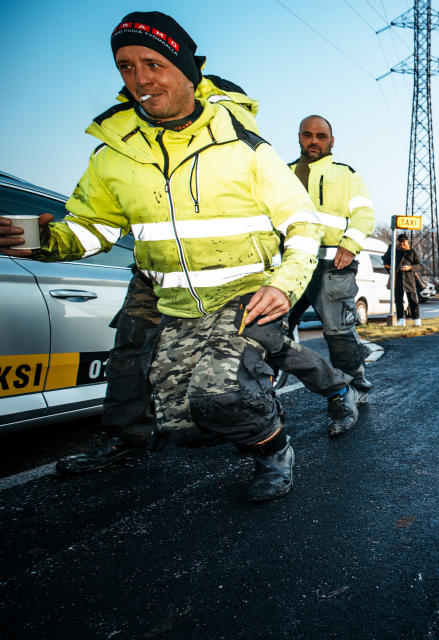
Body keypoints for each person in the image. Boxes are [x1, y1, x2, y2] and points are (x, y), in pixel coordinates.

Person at [0, 11, 356, 502]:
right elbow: (96, 225)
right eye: (125, 66)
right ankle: (282, 395)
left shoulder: (245, 147)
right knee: (185, 421)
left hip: (247, 288)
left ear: (187, 68)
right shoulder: (114, 154)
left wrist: (286, 281)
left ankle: (277, 443)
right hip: (171, 296)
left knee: (222, 389)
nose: (139, 79)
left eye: (153, 63)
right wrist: (50, 240)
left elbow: (301, 222)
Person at [287, 115, 376, 435]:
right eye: (308, 135)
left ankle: (352, 387)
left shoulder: (346, 175)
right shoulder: (282, 173)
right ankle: (262, 399)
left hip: (333, 264)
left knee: (338, 333)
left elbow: (364, 214)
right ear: (298, 137)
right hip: (288, 266)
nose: (314, 141)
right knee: (271, 332)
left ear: (332, 141)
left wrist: (350, 245)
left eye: (321, 136)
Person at [384, 233, 421, 326]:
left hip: (409, 279)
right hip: (398, 279)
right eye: (400, 244)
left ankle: (417, 320)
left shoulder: (412, 252)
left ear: (407, 242)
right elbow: (385, 262)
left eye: (404, 243)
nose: (402, 245)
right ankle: (401, 320)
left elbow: (418, 265)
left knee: (413, 301)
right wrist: (390, 271)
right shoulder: (394, 251)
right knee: (398, 301)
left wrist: (409, 267)